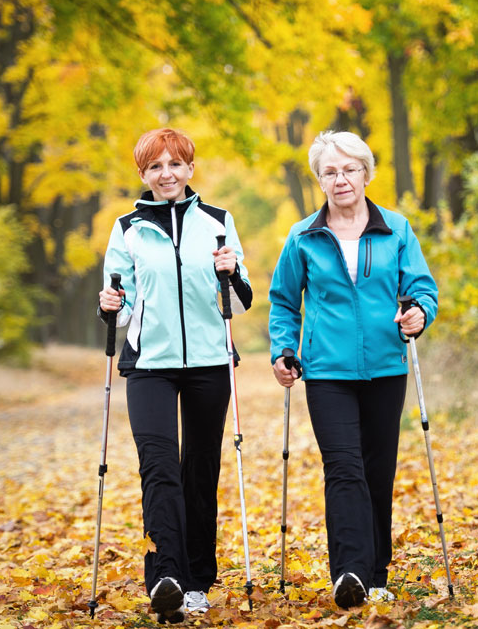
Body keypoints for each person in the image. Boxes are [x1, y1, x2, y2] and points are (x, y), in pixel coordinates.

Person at [268, 131, 438, 608]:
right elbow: (284, 302)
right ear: (319, 179)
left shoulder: (397, 229)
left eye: (349, 170)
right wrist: (283, 350)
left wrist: (420, 313)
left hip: (386, 367)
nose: (340, 179)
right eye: (329, 172)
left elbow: (423, 289)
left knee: (377, 470)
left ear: (366, 173)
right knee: (343, 468)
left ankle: (377, 571)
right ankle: (350, 573)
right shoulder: (302, 236)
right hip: (325, 372)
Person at [98, 128, 252, 620]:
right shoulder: (127, 228)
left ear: (190, 168)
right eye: (155, 166)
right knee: (159, 467)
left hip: (209, 361)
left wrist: (232, 271)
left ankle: (198, 580)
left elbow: (240, 301)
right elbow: (118, 309)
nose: (166, 173)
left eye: (175, 164)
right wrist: (109, 304)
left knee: (200, 469)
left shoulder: (218, 221)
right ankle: (166, 575)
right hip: (150, 365)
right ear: (143, 174)